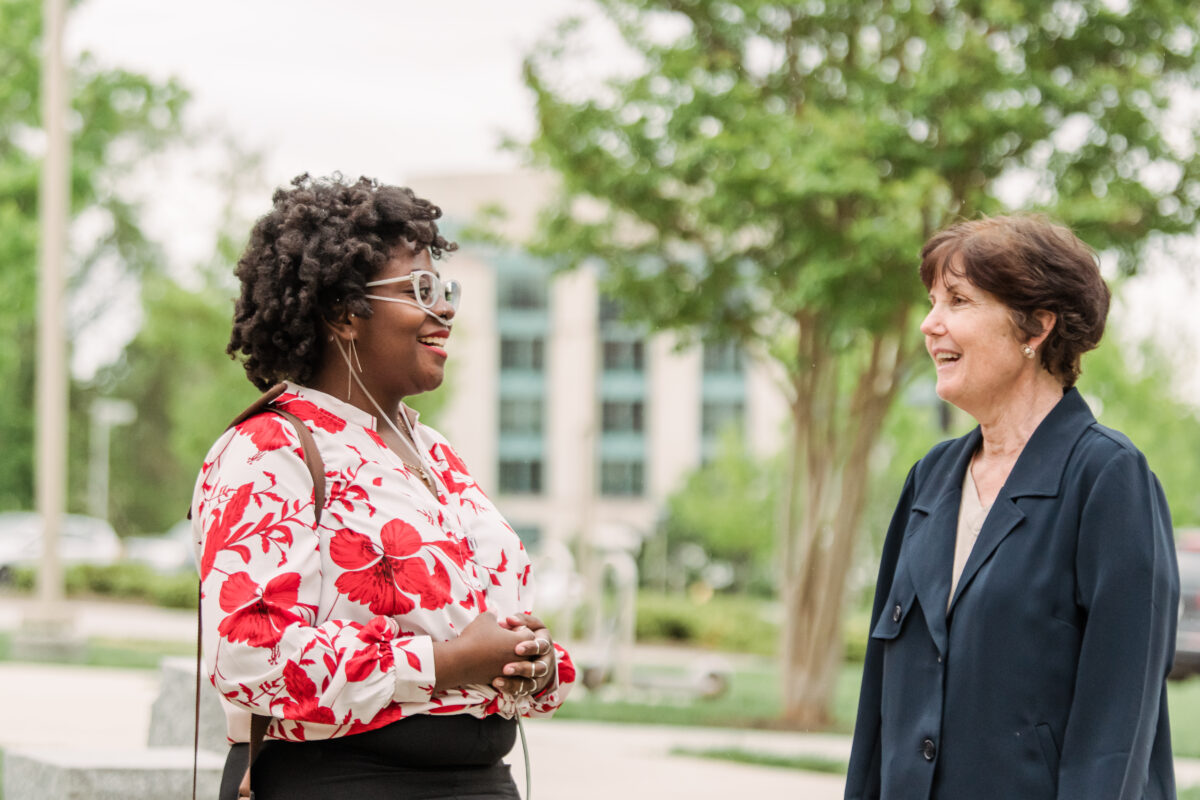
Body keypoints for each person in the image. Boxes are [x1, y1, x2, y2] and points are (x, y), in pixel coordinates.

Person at [191, 174, 574, 800]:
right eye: (419, 290)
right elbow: (249, 658)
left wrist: (532, 660)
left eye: (444, 288)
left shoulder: (435, 452)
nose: (445, 308)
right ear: (344, 313)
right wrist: (446, 663)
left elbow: (485, 625)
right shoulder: (270, 449)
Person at [845, 214, 1179, 800]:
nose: (930, 324)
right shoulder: (929, 479)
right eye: (931, 302)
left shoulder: (1108, 478)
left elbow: (1116, 735)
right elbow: (878, 712)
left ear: (1036, 326)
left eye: (958, 300)